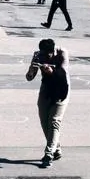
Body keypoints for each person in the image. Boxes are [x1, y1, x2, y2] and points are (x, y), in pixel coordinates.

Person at [25, 37, 69, 168]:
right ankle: (56, 149)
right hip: (46, 89)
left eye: (48, 54)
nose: (46, 57)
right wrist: (33, 67)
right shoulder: (39, 56)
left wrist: (51, 71)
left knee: (54, 121)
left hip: (61, 89)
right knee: (45, 122)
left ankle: (48, 154)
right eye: (43, 54)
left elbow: (63, 74)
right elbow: (29, 78)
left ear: (52, 51)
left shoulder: (62, 53)